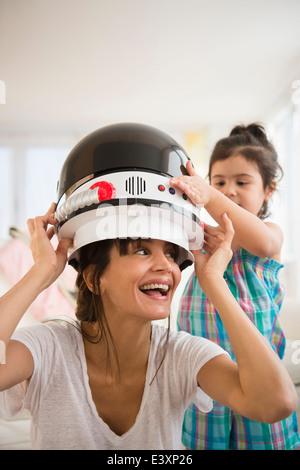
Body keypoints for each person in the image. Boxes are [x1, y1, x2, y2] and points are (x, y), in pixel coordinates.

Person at [172, 123, 300, 450]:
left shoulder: (270, 235)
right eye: (219, 182)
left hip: (258, 381)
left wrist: (209, 194)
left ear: (268, 190)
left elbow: (260, 239)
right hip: (208, 388)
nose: (229, 190)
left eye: (242, 182)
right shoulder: (204, 235)